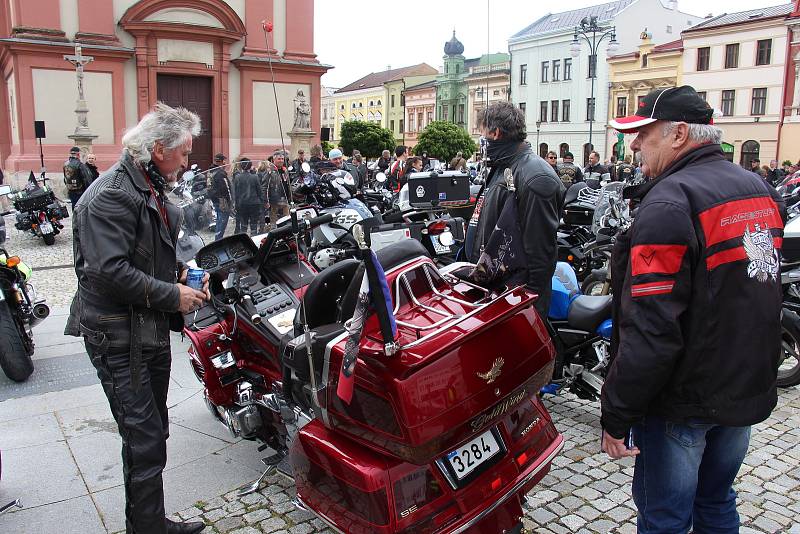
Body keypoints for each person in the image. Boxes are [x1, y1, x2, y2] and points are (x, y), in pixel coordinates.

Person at [602, 86, 784, 533]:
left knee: (666, 518)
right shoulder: (756, 187)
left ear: (679, 133)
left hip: (685, 400)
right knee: (717, 501)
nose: (635, 144)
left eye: (644, 133)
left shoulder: (669, 202)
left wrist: (617, 412)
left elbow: (652, 329)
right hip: (741, 386)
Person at [64, 102, 208, 534]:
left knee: (152, 433)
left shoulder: (146, 183)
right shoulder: (111, 193)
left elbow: (139, 257)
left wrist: (176, 273)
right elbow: (107, 272)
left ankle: (149, 523)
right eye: (183, 152)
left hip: (143, 329)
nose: (187, 160)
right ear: (159, 148)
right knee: (144, 438)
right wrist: (172, 295)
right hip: (117, 335)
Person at [467, 101, 563, 317]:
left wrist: (529, 309)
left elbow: (540, 255)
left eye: (482, 133)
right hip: (496, 291)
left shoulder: (535, 176)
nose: (481, 139)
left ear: (495, 133)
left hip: (515, 301)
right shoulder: (503, 166)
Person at [233, 157, 264, 235]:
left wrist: (236, 204)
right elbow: (259, 191)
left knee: (244, 224)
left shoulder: (237, 177)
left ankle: (244, 239)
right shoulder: (255, 177)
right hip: (254, 204)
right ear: (250, 166)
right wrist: (262, 201)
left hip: (242, 204)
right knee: (254, 224)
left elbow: (235, 192)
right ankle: (254, 239)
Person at [262, 149, 291, 230]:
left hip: (285, 200)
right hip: (273, 201)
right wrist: (266, 201)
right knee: (274, 224)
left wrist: (290, 197)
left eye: (282, 159)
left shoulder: (285, 171)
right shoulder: (270, 171)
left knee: (287, 221)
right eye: (279, 159)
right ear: (274, 160)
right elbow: (264, 187)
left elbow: (288, 185)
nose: (281, 160)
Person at [208, 153, 232, 241]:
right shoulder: (221, 174)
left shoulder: (210, 171)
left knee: (219, 219)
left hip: (215, 199)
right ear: (221, 162)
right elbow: (226, 188)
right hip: (222, 201)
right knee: (222, 221)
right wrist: (230, 200)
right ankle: (218, 240)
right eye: (224, 161)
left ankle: (218, 238)